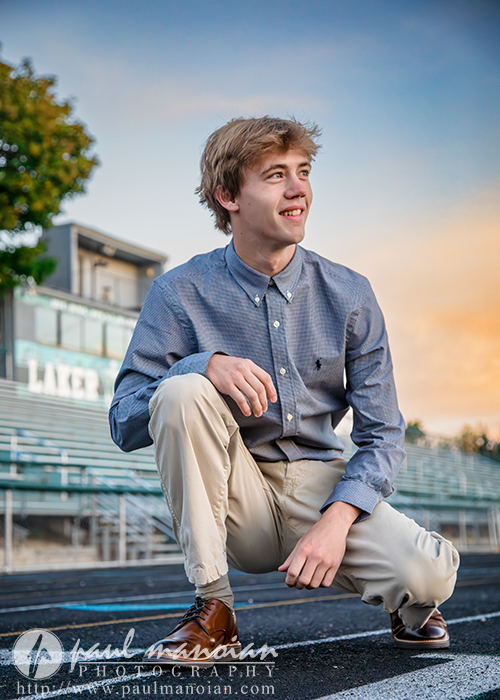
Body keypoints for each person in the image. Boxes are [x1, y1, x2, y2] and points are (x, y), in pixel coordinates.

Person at [110, 116, 459, 664]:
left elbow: (384, 435)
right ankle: (214, 608)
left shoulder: (350, 294)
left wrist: (337, 520)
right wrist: (203, 365)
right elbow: (124, 421)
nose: (298, 189)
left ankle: (407, 599)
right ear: (228, 196)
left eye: (303, 172)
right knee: (181, 392)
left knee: (429, 576)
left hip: (321, 486)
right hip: (236, 492)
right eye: (276, 175)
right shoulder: (178, 292)